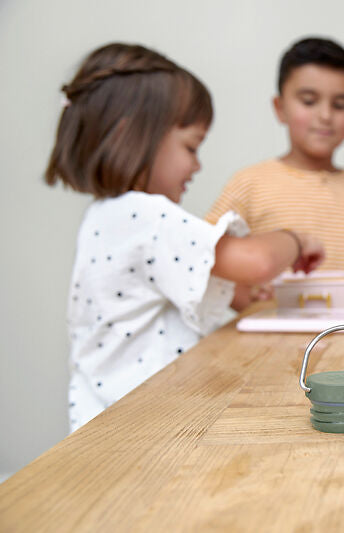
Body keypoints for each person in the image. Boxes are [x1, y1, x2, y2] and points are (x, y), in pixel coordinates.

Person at [46, 43, 324, 432]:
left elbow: (185, 288)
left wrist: (245, 293)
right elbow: (256, 261)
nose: (197, 165)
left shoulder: (105, 216)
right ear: (131, 136)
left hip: (106, 420)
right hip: (139, 426)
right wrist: (296, 239)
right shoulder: (144, 215)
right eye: (191, 147)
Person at [206, 37, 344, 296]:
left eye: (340, 105)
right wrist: (248, 298)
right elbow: (206, 255)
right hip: (266, 322)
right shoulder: (248, 184)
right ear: (280, 108)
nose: (325, 116)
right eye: (308, 101)